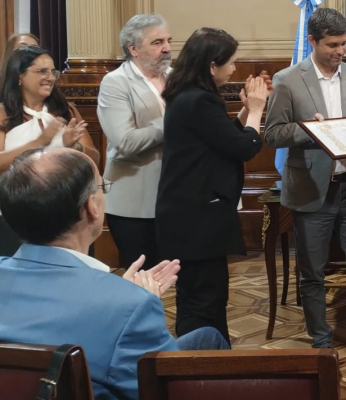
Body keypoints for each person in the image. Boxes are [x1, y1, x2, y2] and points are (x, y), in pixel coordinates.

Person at [0, 148, 228, 400]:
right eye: (102, 187)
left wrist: (120, 292)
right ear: (90, 208)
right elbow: (164, 391)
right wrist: (130, 300)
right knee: (210, 340)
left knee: (207, 337)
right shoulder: (131, 306)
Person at [264, 8, 346, 372]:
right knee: (312, 274)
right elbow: (273, 134)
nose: (340, 51)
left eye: (344, 44)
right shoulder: (288, 79)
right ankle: (321, 345)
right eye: (333, 45)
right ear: (312, 42)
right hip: (311, 192)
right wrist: (312, 131)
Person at [156, 27, 268, 342]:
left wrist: (245, 109)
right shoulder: (199, 101)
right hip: (197, 221)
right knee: (203, 301)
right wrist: (257, 111)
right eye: (231, 62)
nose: (234, 68)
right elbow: (243, 147)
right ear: (211, 66)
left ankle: (208, 361)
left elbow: (222, 137)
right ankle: (199, 367)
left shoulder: (190, 96)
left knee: (204, 296)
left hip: (188, 217)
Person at [0, 46, 99, 255]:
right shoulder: (3, 114)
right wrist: (41, 142)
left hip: (67, 212)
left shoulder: (65, 110)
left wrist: (74, 146)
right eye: (42, 71)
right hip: (18, 212)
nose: (50, 78)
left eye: (53, 72)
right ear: (20, 76)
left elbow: (95, 159)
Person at [97, 14, 172, 270]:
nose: (167, 48)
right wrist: (174, 120)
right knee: (142, 280)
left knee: (175, 278)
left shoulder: (176, 77)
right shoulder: (115, 82)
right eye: (157, 42)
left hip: (173, 196)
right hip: (133, 203)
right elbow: (126, 142)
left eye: (168, 41)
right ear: (133, 48)